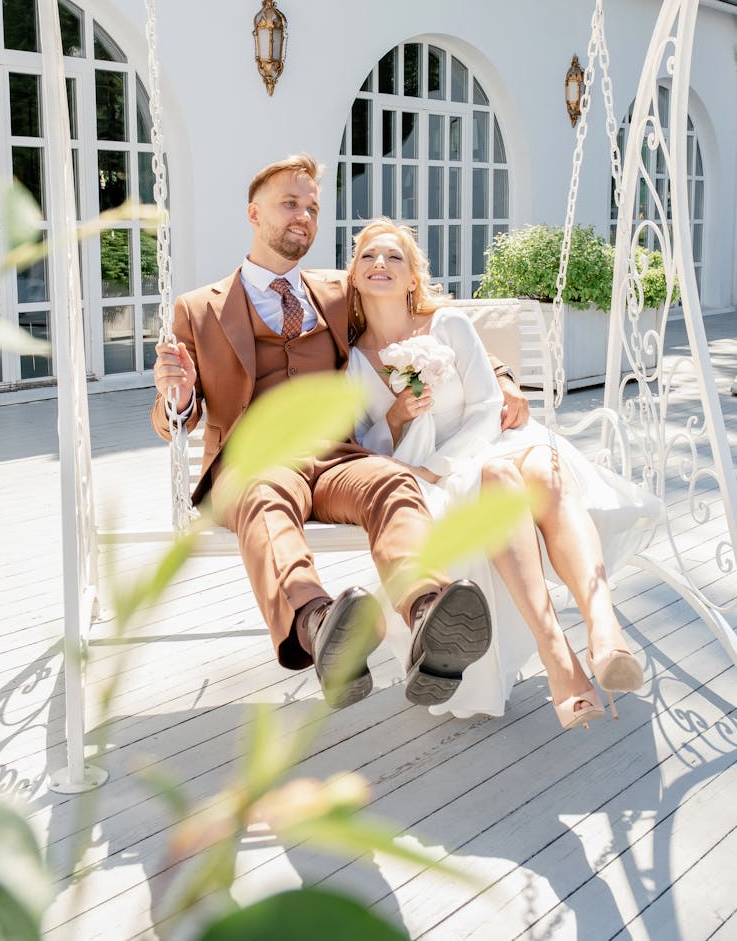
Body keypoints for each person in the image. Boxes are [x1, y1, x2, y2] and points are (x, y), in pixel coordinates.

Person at [152, 155, 521, 711]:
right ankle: (318, 624)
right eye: (290, 204)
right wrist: (174, 398)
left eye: (313, 208)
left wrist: (498, 372)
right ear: (254, 213)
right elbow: (176, 416)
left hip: (337, 457)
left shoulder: (334, 290)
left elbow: (420, 318)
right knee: (262, 496)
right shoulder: (198, 308)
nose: (303, 216)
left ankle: (427, 612)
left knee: (393, 483)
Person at [346, 217, 650, 729]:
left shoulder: (447, 326)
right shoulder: (353, 360)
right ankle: (558, 653)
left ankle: (604, 632)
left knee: (544, 467)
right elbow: (359, 445)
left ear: (413, 277)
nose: (380, 264)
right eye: (367, 257)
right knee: (501, 482)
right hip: (415, 475)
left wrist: (443, 464)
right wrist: (397, 417)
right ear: (353, 276)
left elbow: (487, 405)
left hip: (485, 443)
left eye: (394, 257)